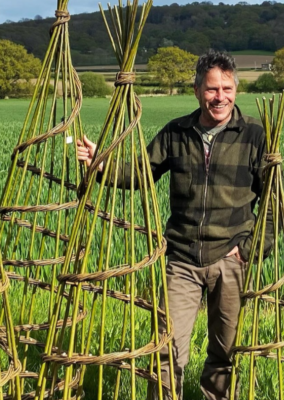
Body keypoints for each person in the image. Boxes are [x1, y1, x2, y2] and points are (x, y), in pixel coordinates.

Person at [76, 50, 273, 400]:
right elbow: (139, 172)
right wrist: (100, 164)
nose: (220, 97)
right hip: (182, 257)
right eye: (212, 89)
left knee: (225, 353)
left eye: (227, 88)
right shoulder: (176, 132)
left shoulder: (254, 136)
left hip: (230, 257)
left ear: (235, 90)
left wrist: (248, 251)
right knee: (167, 348)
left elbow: (273, 203)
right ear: (196, 89)